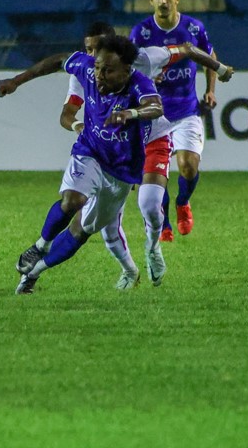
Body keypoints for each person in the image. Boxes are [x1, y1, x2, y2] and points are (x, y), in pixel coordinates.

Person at [63, 23, 234, 287]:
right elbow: (67, 114)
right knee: (108, 226)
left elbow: (187, 49)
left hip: (151, 138)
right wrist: (81, 127)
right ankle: (129, 270)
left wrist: (220, 68)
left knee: (150, 205)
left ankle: (153, 247)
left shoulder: (143, 58)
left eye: (99, 48)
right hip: (112, 150)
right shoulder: (84, 72)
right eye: (89, 50)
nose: (94, 55)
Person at [0, 35, 164, 294]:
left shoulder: (137, 84)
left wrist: (129, 113)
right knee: (72, 200)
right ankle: (40, 245)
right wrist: (16, 81)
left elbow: (154, 107)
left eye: (108, 70)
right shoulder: (88, 69)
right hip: (90, 151)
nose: (99, 74)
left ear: (126, 70)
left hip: (121, 171)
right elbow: (58, 60)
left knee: (81, 230)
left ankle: (35, 272)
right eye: (98, 67)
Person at [130, 0, 225, 239]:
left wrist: (210, 90)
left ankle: (183, 201)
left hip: (186, 111)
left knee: (188, 166)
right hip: (153, 114)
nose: (163, 1)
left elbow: (209, 57)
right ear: (151, 0)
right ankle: (166, 222)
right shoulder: (141, 32)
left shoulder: (194, 28)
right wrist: (148, 76)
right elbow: (128, 69)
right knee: (155, 175)